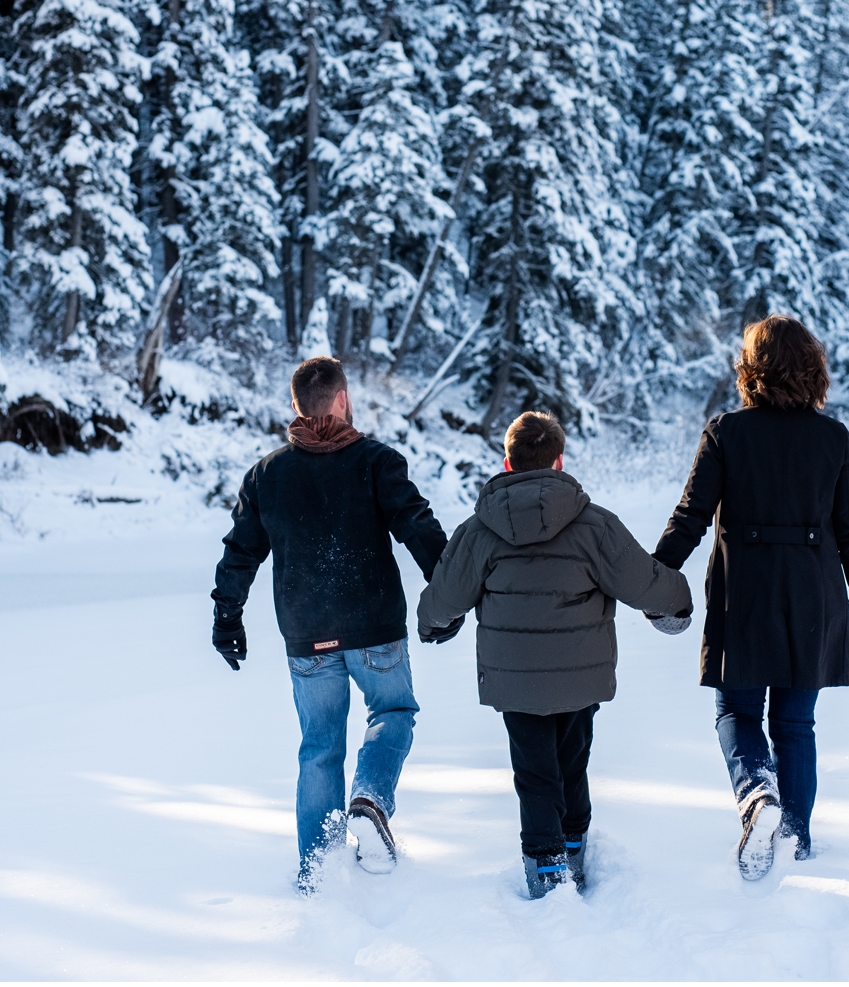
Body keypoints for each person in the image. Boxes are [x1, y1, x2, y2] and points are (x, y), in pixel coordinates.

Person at [416, 411, 691, 898]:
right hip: (579, 675)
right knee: (573, 757)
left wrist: (431, 622)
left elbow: (445, 595)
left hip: (514, 679)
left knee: (533, 767)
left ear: (507, 463)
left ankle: (545, 864)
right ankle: (573, 844)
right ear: (558, 460)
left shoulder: (479, 530)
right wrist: (678, 601)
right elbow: (641, 579)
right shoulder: (594, 525)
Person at [653, 315, 849, 880]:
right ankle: (796, 839)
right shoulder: (834, 438)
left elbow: (691, 516)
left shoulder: (726, 432)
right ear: (813, 368)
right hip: (814, 596)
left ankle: (757, 795)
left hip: (746, 595)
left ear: (751, 369)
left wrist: (657, 578)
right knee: (794, 723)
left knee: (736, 709)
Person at [212, 356, 448, 892]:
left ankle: (318, 872)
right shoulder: (377, 462)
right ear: (341, 399)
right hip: (374, 629)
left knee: (320, 744)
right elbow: (419, 528)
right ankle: (369, 798)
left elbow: (240, 553)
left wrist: (227, 616)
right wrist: (448, 595)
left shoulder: (268, 475)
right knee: (393, 709)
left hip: (306, 636)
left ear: (296, 407)